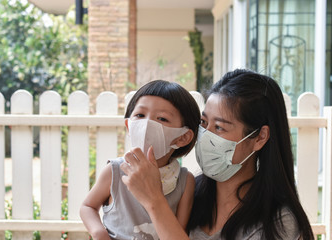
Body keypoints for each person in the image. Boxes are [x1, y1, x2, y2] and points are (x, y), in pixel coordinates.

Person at [121, 69, 314, 240]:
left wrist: (154, 202)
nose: (205, 135)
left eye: (220, 127)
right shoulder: (187, 194)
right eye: (204, 123)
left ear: (259, 138)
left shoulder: (278, 223)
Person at [80, 80, 201, 240]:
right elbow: (87, 206)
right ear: (129, 125)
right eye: (140, 115)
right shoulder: (115, 170)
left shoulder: (185, 181)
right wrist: (99, 233)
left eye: (162, 119)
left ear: (183, 137)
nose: (146, 123)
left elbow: (178, 232)